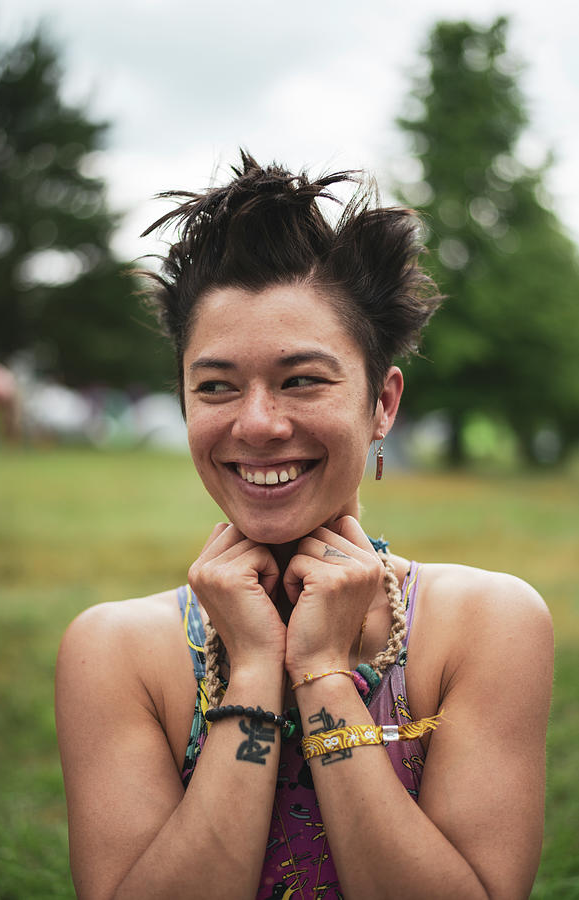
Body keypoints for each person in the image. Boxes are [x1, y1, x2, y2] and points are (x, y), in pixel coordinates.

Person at [55, 152, 553, 900]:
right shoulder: (113, 652)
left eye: (302, 379)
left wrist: (321, 672)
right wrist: (255, 667)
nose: (255, 424)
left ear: (383, 403)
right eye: (216, 386)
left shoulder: (486, 624)